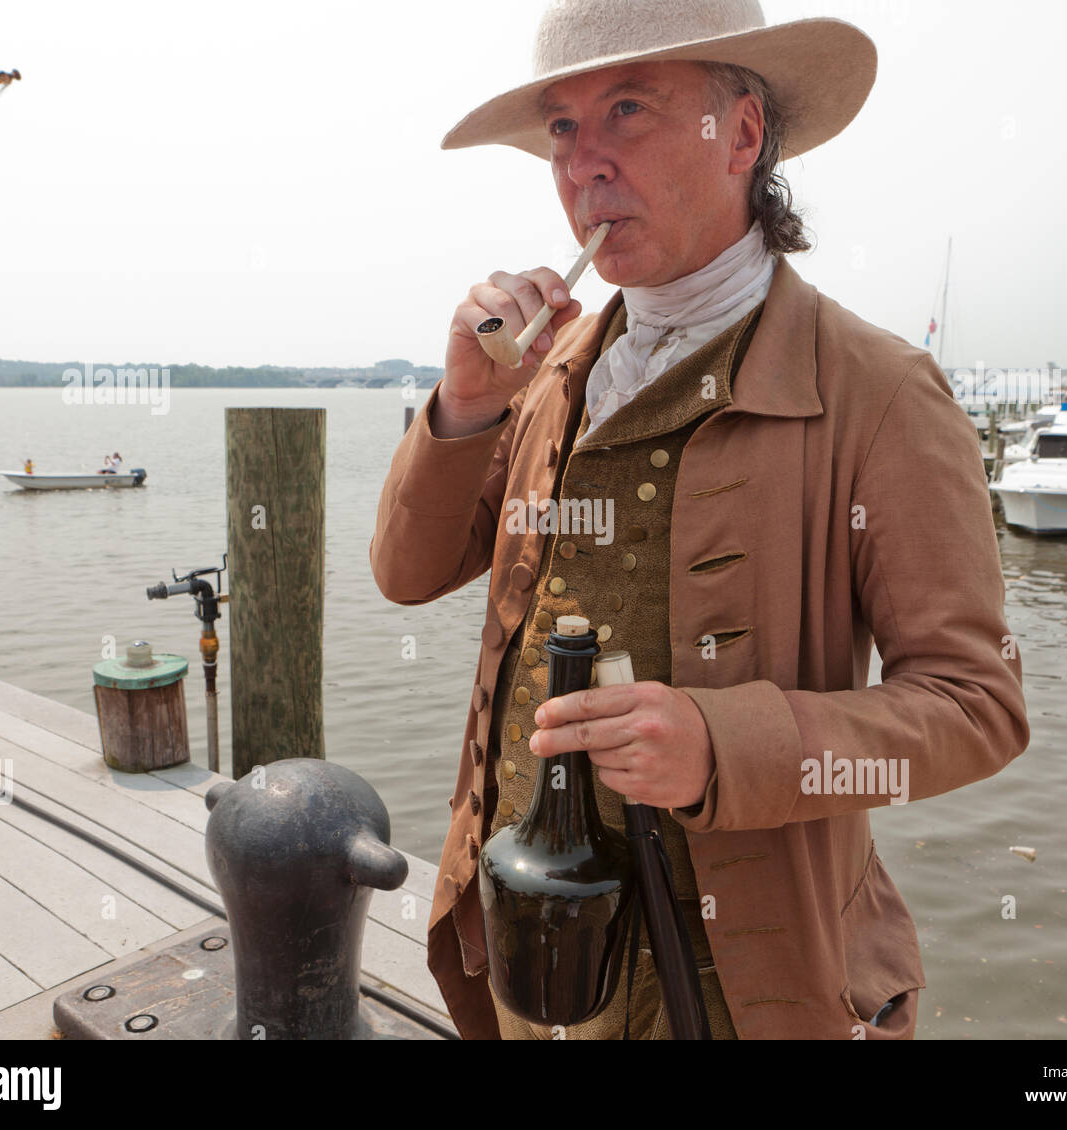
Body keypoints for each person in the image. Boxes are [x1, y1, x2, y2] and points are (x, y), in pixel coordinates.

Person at [371, 0, 1029, 1040]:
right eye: (561, 126)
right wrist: (460, 405)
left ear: (745, 136)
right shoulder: (551, 372)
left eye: (627, 109)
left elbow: (976, 704)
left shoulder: (879, 390)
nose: (583, 162)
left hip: (742, 984)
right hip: (529, 934)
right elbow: (406, 574)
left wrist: (724, 744)